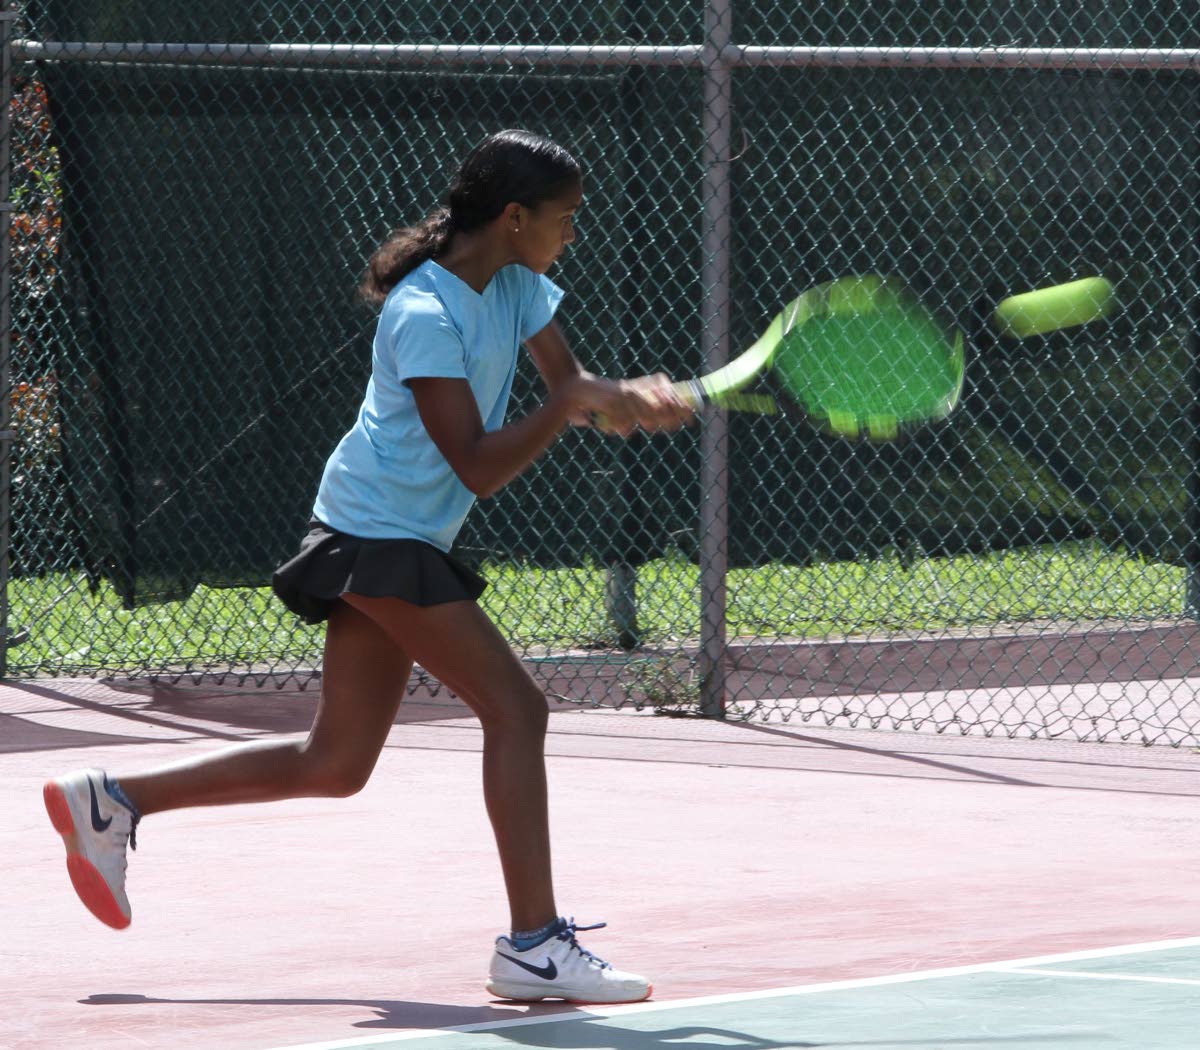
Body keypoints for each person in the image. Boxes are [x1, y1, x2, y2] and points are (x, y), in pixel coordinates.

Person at [43, 129, 692, 1004]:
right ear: (512, 217)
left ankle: (113, 798)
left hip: (396, 533)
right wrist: (570, 406)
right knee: (518, 709)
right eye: (564, 218)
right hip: (376, 535)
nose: (573, 233)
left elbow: (566, 382)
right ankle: (536, 945)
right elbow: (477, 465)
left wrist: (619, 401)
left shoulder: (521, 286)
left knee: (335, 763)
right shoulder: (422, 312)